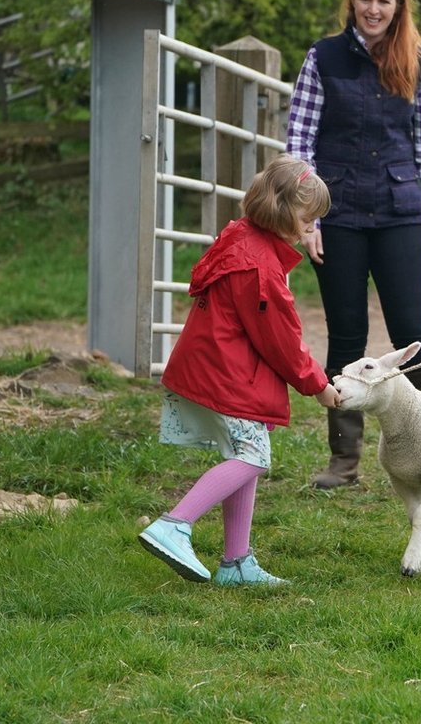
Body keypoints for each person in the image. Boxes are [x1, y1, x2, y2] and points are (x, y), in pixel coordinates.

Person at [287, 0, 421, 490]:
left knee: (413, 332)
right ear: (352, 3)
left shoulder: (417, 62)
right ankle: (345, 460)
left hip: (400, 213)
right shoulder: (323, 58)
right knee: (346, 334)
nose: (374, 9)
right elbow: (299, 145)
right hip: (337, 216)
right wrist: (304, 218)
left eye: (385, 0)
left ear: (398, 6)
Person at [138, 155, 342, 586]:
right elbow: (281, 340)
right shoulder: (261, 269)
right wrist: (317, 384)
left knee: (245, 453)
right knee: (252, 457)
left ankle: (236, 563)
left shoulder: (241, 237)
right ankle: (174, 525)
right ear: (284, 212)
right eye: (309, 219)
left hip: (216, 364)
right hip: (227, 374)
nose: (312, 227)